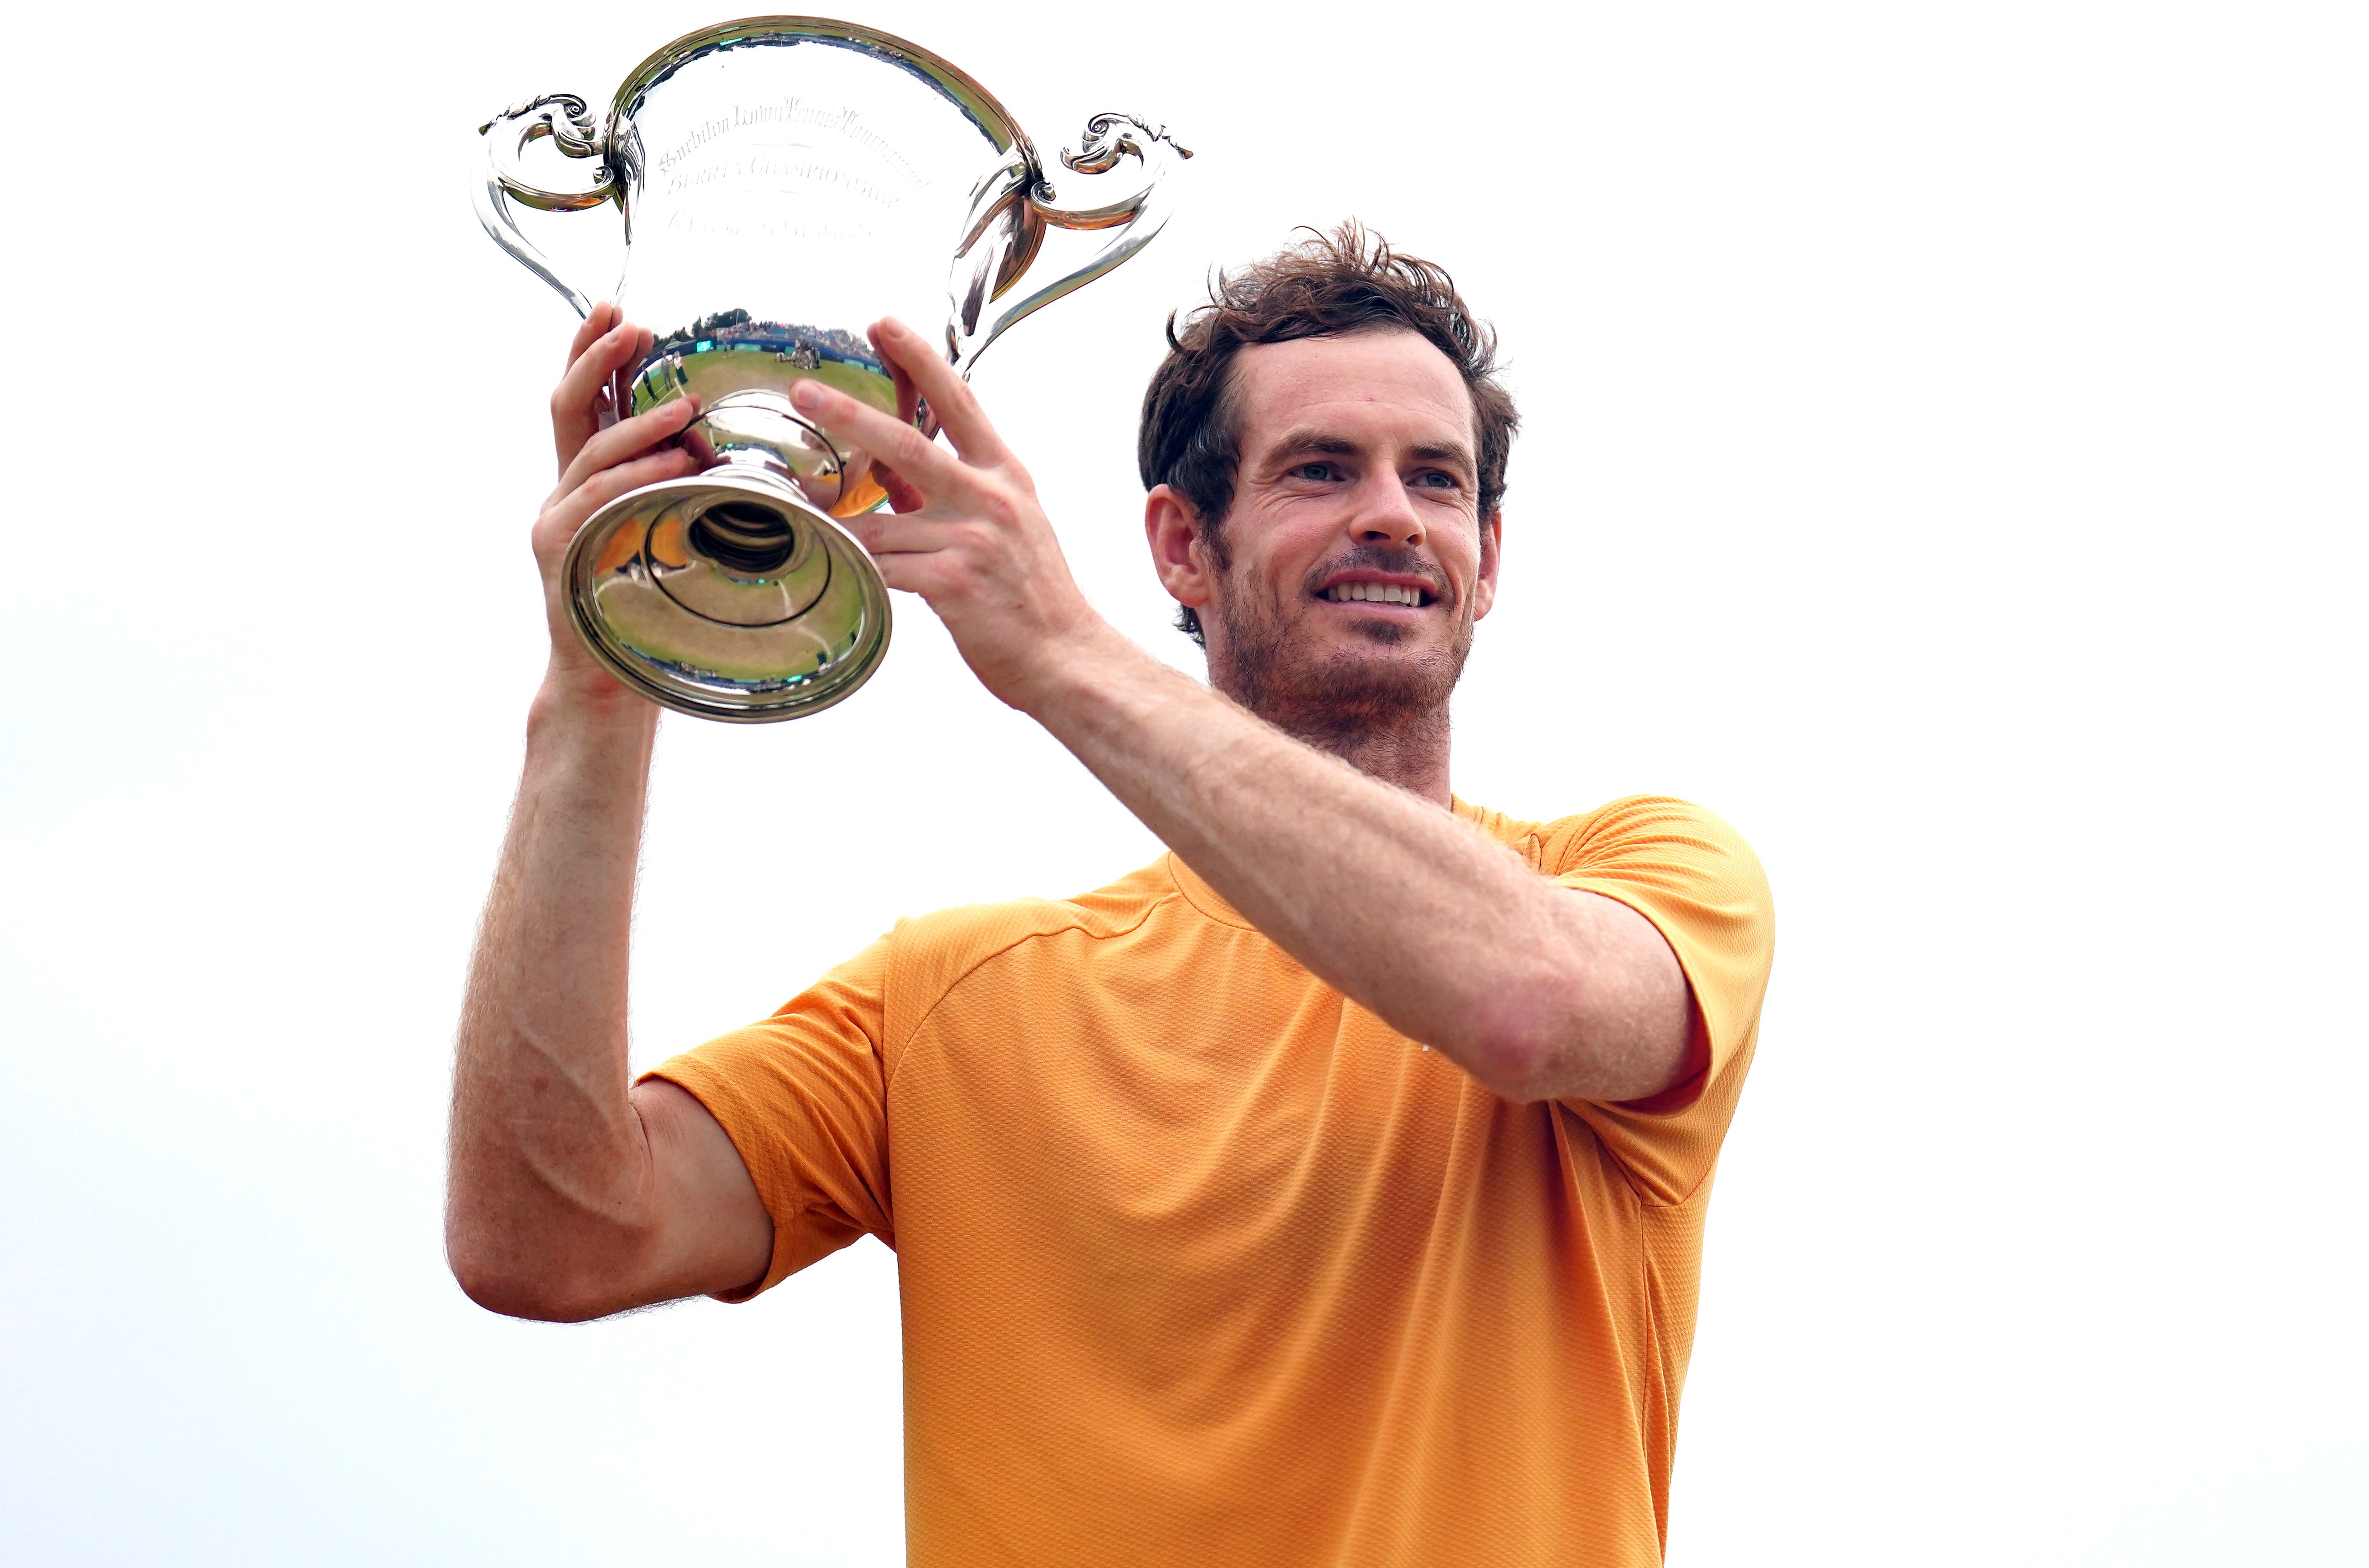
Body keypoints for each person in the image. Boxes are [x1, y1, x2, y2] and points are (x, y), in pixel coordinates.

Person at [449, 226, 1774, 1568]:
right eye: (1320, 470)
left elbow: (1521, 1002)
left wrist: (1062, 652)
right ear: (1180, 546)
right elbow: (546, 1237)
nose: (1391, 512)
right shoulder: (951, 996)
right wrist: (596, 690)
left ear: (1487, 555)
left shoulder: (1641, 876)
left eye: (1435, 479)